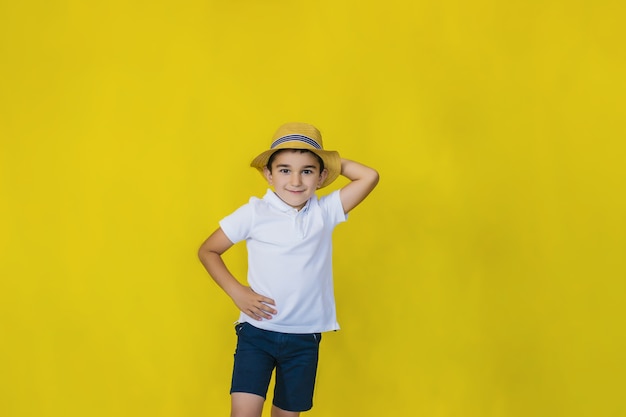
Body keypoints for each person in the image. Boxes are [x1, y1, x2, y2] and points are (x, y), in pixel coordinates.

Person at [198, 122, 379, 417]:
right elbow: (208, 250)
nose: (295, 180)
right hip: (257, 333)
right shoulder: (254, 213)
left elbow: (369, 176)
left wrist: (329, 161)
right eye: (284, 169)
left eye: (307, 170)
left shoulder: (325, 211)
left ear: (322, 177)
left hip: (303, 339)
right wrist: (237, 292)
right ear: (268, 175)